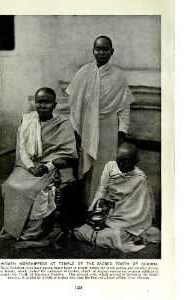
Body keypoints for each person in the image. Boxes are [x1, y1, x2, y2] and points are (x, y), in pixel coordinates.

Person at [0, 87, 77, 240]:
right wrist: (31, 167)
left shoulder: (63, 124)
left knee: (32, 188)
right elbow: (22, 148)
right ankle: (12, 228)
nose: (42, 106)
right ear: (35, 104)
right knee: (9, 186)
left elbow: (68, 153)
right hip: (29, 164)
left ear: (54, 105)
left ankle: (30, 231)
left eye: (47, 102)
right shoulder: (28, 120)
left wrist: (48, 166)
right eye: (39, 102)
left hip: (51, 165)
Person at [66, 35, 135, 207]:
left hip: (108, 129)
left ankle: (99, 208)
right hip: (86, 128)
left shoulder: (119, 76)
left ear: (112, 52)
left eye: (105, 49)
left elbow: (124, 108)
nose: (102, 52)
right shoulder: (83, 73)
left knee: (104, 168)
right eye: (98, 49)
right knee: (86, 169)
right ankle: (86, 208)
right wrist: (75, 130)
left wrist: (122, 132)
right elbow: (74, 104)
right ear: (93, 50)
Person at [74, 143, 160, 252]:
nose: (120, 164)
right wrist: (94, 210)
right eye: (118, 160)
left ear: (134, 161)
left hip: (125, 222)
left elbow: (139, 211)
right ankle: (105, 235)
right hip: (106, 214)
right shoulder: (110, 166)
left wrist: (111, 220)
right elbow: (102, 190)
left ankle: (116, 236)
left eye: (125, 161)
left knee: (114, 235)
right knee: (80, 231)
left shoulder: (140, 179)